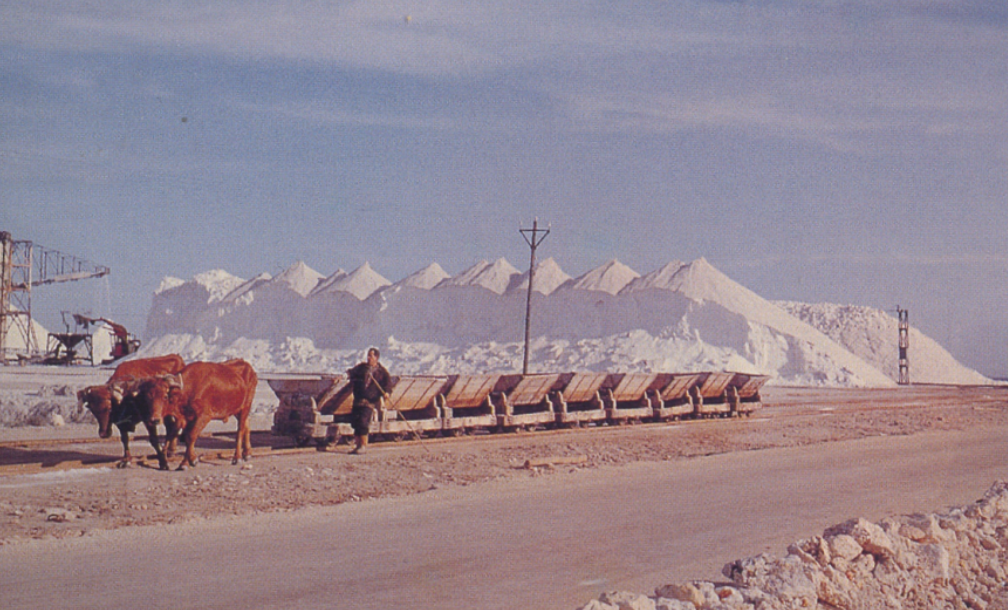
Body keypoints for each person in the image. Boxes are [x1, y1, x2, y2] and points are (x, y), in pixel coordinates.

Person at [345, 347, 391, 454]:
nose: (369, 358)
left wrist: (387, 393)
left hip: (369, 401)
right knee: (356, 423)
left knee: (363, 422)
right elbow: (350, 373)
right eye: (368, 355)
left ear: (377, 357)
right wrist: (343, 376)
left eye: (371, 356)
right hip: (358, 399)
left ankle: (363, 446)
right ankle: (357, 446)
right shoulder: (361, 368)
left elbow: (388, 385)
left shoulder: (382, 372)